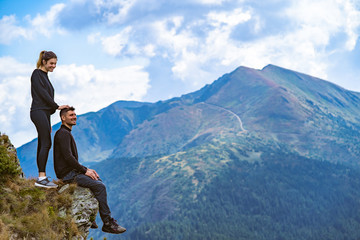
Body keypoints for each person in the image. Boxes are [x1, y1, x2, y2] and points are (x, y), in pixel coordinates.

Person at [53, 107, 126, 234]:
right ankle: (107, 223)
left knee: (96, 179)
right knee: (100, 186)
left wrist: (86, 170)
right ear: (63, 118)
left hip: (71, 172)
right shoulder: (63, 134)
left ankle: (91, 216)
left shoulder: (65, 133)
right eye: (71, 115)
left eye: (75, 115)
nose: (74, 117)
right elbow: (68, 157)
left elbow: (69, 159)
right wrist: (84, 170)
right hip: (67, 175)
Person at [30, 50, 69, 188]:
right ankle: (41, 179)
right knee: (46, 143)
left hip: (43, 114)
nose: (54, 66)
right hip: (38, 112)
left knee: (43, 143)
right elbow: (43, 95)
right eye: (51, 63)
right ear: (44, 62)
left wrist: (48, 121)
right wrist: (57, 106)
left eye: (55, 64)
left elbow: (46, 99)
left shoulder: (45, 76)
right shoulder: (37, 74)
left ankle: (42, 177)